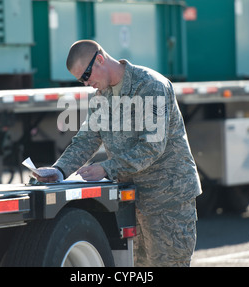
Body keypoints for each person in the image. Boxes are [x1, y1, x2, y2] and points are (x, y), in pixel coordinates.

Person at [34, 40, 202, 267]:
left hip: (167, 201)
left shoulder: (150, 86)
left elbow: (151, 147)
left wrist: (106, 169)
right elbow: (86, 140)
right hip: (133, 202)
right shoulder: (102, 96)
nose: (86, 84)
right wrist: (59, 170)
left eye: (86, 75)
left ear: (100, 59)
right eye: (81, 80)